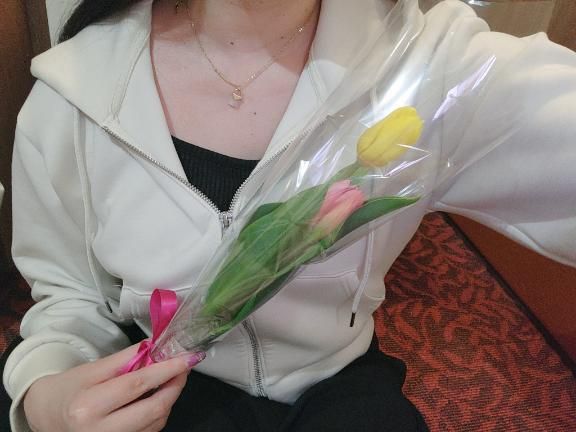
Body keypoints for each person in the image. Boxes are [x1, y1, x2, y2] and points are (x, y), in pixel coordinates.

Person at [3, 0, 575, 430]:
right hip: (158, 378)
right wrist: (45, 396)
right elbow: (69, 298)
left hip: (334, 380)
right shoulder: (72, 93)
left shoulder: (432, 67)